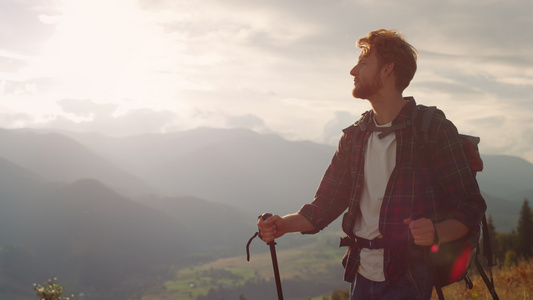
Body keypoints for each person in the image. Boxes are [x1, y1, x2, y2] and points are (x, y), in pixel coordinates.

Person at [257, 29, 487, 300]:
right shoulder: (355, 136)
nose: (353, 71)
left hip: (409, 274)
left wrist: (435, 232)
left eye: (363, 63)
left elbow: (471, 205)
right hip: (360, 273)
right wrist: (282, 224)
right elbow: (325, 205)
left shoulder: (432, 129)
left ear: (388, 69)